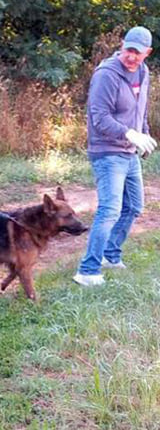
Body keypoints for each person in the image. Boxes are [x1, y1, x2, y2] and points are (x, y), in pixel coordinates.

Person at [73, 26, 157, 287]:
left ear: (148, 53)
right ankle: (87, 271)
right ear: (122, 45)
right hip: (107, 151)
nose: (131, 56)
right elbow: (99, 119)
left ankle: (110, 255)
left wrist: (143, 135)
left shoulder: (143, 73)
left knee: (133, 206)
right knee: (110, 210)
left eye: (137, 52)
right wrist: (130, 134)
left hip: (129, 152)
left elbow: (140, 110)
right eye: (128, 50)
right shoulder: (106, 75)